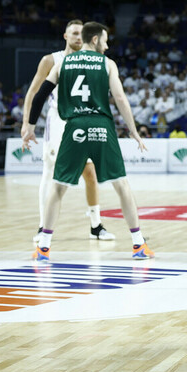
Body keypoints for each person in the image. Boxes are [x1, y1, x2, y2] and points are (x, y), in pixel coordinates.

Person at [21, 22, 153, 262]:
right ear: (95, 40)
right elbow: (120, 98)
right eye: (105, 40)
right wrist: (133, 130)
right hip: (101, 126)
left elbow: (40, 94)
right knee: (121, 185)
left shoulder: (62, 63)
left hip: (74, 126)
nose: (107, 44)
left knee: (58, 187)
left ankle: (44, 247)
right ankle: (138, 245)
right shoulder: (107, 64)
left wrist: (29, 127)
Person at [22, 20, 116, 242]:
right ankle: (43, 225)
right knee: (51, 173)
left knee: (91, 174)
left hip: (83, 121)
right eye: (73, 33)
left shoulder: (93, 60)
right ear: (65, 36)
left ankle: (96, 225)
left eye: (80, 33)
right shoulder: (51, 60)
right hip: (58, 123)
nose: (77, 36)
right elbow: (33, 94)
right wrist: (27, 123)